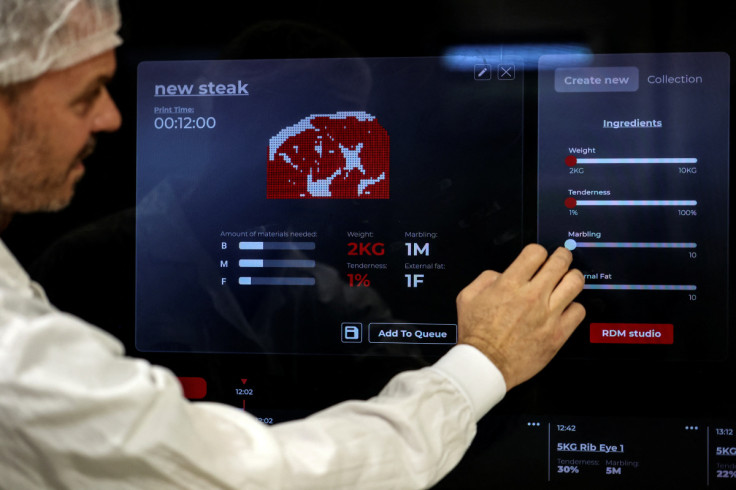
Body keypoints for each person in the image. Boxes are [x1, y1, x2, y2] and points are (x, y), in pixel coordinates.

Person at [0, 0, 586, 488]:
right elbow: (250, 476)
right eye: (325, 128)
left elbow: (401, 379)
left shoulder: (322, 291)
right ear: (248, 128)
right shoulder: (80, 272)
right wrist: (482, 361)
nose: (353, 160)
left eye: (356, 129)